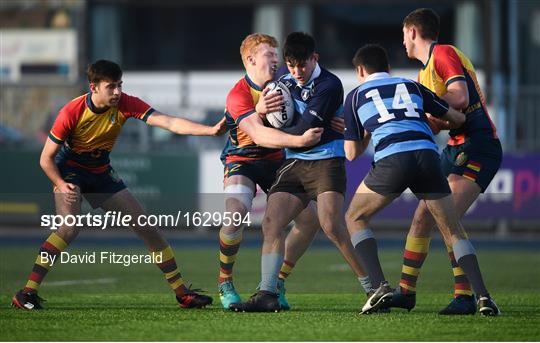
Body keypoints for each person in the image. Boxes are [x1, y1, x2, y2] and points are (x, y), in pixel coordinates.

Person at [12, 60, 225, 310]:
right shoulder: (72, 111)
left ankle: (182, 294)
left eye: (120, 85)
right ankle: (26, 293)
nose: (117, 92)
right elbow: (45, 158)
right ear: (94, 87)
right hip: (69, 172)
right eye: (111, 86)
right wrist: (60, 183)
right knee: (69, 229)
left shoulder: (125, 103)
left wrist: (210, 131)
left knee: (148, 228)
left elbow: (168, 122)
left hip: (101, 172)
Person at [343, 44, 499, 316]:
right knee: (452, 229)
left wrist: (368, 129)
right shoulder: (410, 85)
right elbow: (455, 116)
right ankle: (484, 297)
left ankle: (379, 286)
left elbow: (352, 153)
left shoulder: (355, 96)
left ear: (360, 71)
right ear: (388, 68)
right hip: (427, 156)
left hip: (393, 160)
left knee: (354, 217)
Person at [230, 32, 371, 312]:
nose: (297, 72)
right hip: (294, 162)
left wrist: (276, 128)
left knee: (330, 224)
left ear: (314, 58)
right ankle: (267, 292)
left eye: (302, 65)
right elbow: (284, 129)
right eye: (291, 65)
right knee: (272, 223)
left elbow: (308, 131)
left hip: (326, 162)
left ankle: (375, 287)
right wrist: (261, 113)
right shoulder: (282, 83)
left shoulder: (330, 84)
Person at [391, 8, 503, 315]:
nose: (402, 42)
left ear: (412, 31)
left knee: (445, 215)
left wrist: (427, 109)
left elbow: (459, 97)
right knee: (422, 217)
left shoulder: (443, 53)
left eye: (403, 34)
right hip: (455, 149)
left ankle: (470, 295)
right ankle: (405, 292)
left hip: (479, 146)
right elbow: (443, 120)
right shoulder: (422, 74)